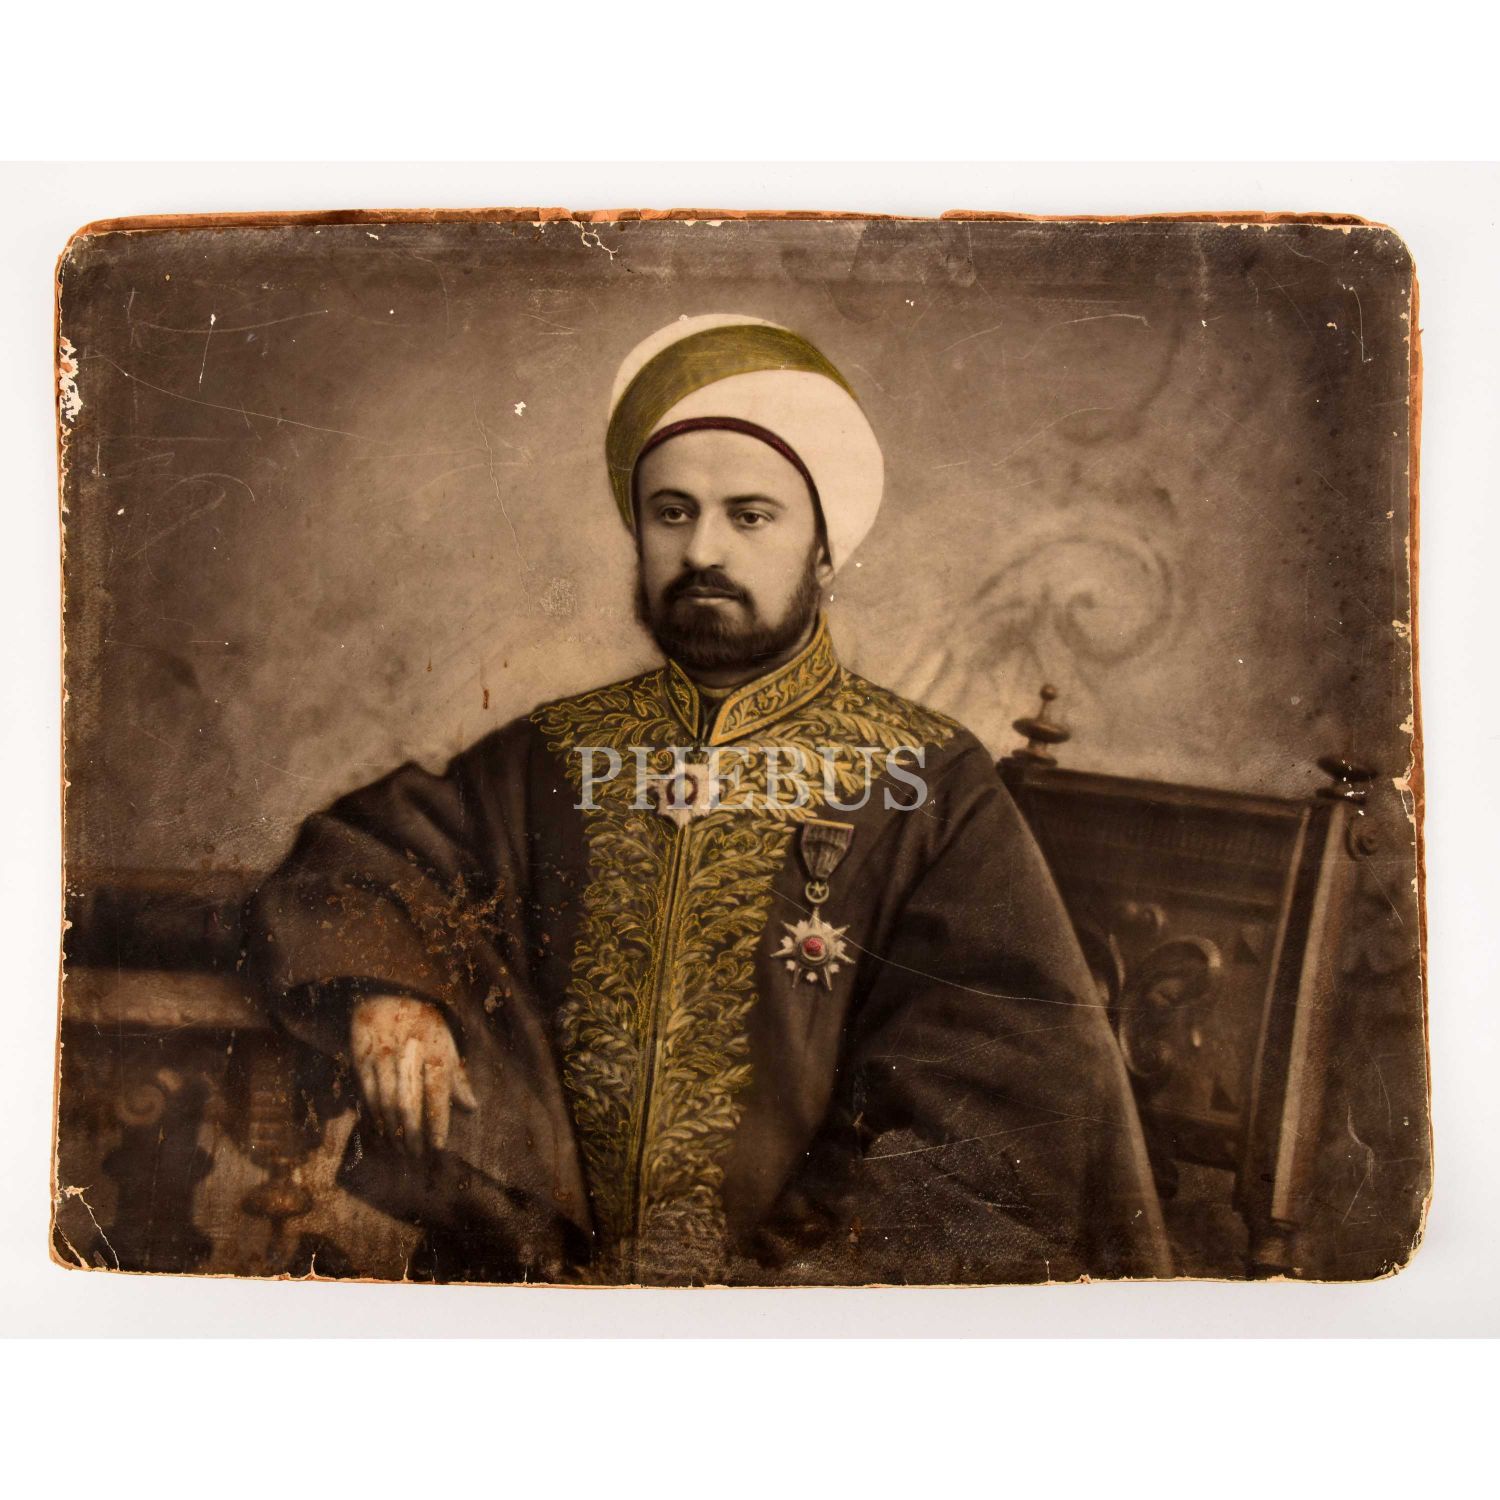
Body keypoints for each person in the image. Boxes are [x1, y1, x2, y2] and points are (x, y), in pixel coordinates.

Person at [246, 314, 1170, 1285]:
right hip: (551, 1301)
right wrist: (392, 987)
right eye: (672, 514)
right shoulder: (552, 754)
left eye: (751, 516)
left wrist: (774, 1301)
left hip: (805, 1314)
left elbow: (994, 1108)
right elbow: (370, 854)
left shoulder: (929, 781)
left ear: (824, 550)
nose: (701, 553)